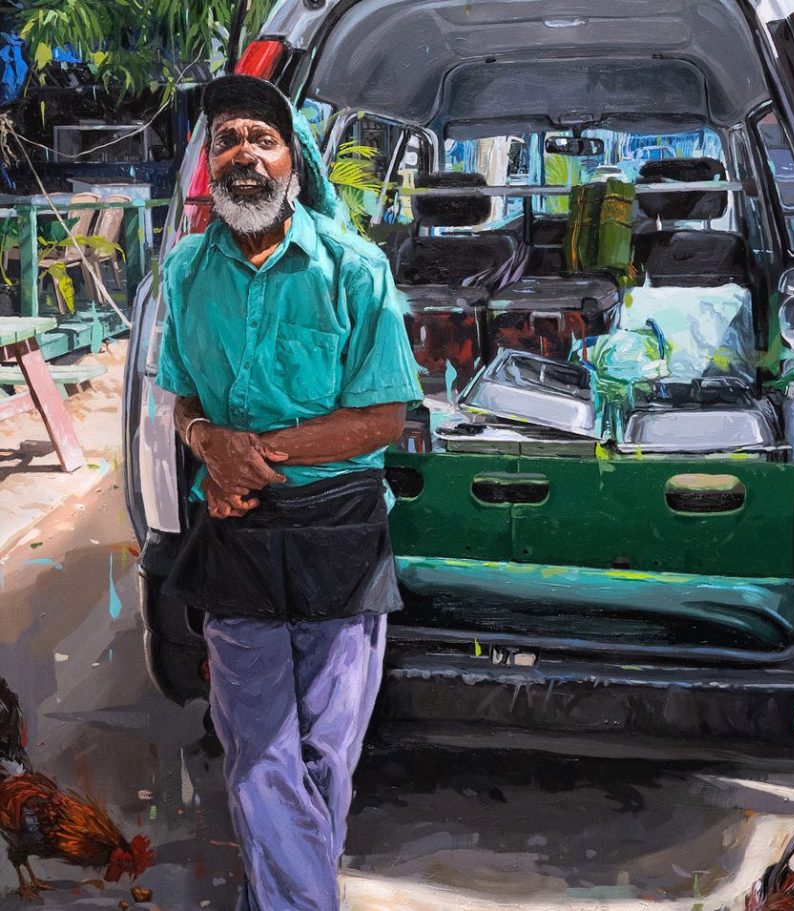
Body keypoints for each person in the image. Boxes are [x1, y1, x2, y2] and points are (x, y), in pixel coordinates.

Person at [154, 74, 423, 911]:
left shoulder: (354, 268)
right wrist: (205, 442)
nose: (243, 153)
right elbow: (179, 396)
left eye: (260, 140)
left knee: (323, 758)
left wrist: (247, 452)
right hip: (235, 534)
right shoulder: (186, 272)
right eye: (226, 139)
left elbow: (383, 416)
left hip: (336, 534)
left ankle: (276, 894)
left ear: (292, 169)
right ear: (210, 167)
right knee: (259, 750)